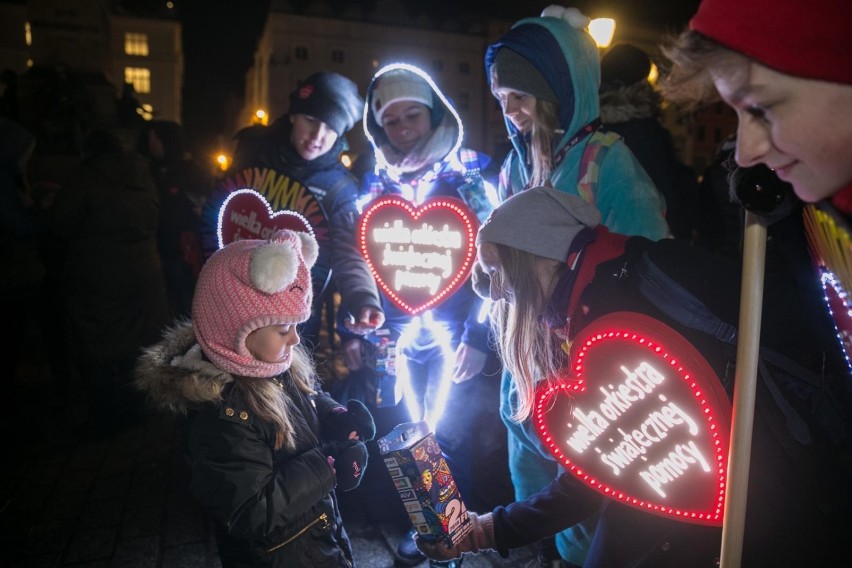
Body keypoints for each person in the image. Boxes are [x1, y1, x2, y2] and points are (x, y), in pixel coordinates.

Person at [416, 185, 850, 567]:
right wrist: (492, 529)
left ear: (536, 258)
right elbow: (604, 465)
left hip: (767, 486)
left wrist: (493, 529)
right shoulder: (580, 308)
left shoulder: (634, 291)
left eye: (496, 271)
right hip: (682, 489)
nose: (495, 291)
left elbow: (789, 316)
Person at [483, 6, 670, 565]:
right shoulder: (512, 171)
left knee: (584, 479)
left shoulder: (608, 163)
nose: (509, 110)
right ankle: (541, 550)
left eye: (519, 95)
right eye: (501, 99)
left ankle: (572, 557)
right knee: (528, 457)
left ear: (558, 89)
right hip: (528, 354)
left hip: (586, 358)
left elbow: (649, 257)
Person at [135, 229, 376, 567]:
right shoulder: (222, 416)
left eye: (295, 325)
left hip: (314, 539)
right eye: (283, 329)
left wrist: (333, 415)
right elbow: (250, 510)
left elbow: (305, 398)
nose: (295, 339)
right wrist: (328, 466)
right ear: (237, 330)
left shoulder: (269, 363)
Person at [348, 62, 503, 567]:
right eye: (390, 122)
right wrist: (365, 315)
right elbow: (363, 255)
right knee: (407, 426)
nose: (403, 129)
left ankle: (451, 533)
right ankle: (425, 524)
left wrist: (481, 336)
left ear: (435, 114)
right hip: (396, 332)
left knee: (450, 430)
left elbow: (500, 259)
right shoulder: (375, 183)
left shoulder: (470, 175)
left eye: (412, 114)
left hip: (458, 332)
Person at [205, 71, 384, 355]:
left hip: (292, 319)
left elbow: (349, 251)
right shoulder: (253, 151)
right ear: (293, 116)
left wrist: (363, 299)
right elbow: (218, 213)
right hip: (230, 301)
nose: (317, 136)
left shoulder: (340, 187)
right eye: (310, 121)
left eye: (329, 128)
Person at [49, 128, 170, 433]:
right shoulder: (143, 176)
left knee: (98, 344)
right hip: (143, 274)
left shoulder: (85, 178)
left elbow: (60, 222)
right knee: (136, 341)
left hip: (98, 277)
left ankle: (104, 417)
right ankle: (135, 407)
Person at [599, 43, 698, 241]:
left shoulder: (589, 124)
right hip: (646, 239)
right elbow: (666, 187)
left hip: (602, 237)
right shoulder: (647, 130)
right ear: (641, 81)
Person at [136, 120, 209, 319]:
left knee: (183, 299)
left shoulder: (190, 171)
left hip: (182, 249)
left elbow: (200, 204)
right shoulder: (148, 171)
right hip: (156, 246)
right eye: (150, 138)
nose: (153, 144)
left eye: (156, 139)